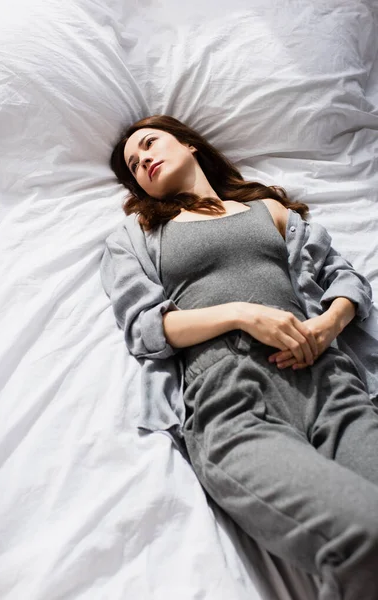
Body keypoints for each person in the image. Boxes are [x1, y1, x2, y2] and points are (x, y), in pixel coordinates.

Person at [100, 114, 378, 600]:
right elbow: (145, 329)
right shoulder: (139, 234)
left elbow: (344, 277)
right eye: (133, 165)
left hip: (331, 385)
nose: (142, 159)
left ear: (187, 144)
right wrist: (240, 314)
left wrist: (328, 324)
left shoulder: (267, 210)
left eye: (149, 144)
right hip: (232, 402)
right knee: (367, 536)